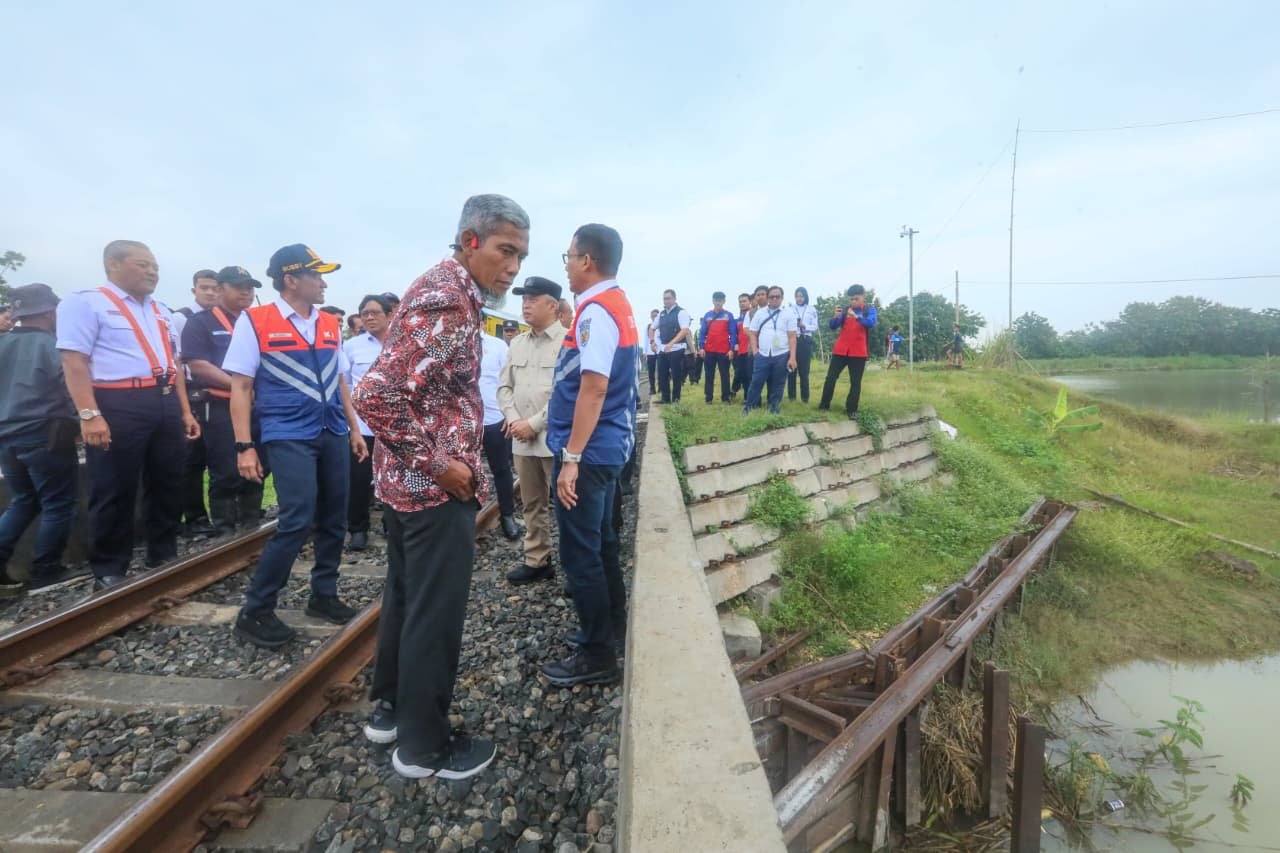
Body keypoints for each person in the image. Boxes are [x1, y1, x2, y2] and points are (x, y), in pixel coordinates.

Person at [353, 193, 530, 781]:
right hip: (433, 490)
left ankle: (391, 710)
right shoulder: (449, 301)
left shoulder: (441, 288)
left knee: (405, 597)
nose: (512, 268)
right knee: (435, 612)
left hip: (404, 487)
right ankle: (424, 748)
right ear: (471, 240)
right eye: (505, 251)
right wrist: (437, 464)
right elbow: (374, 394)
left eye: (521, 256)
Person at [223, 244, 367, 648]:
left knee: (334, 516)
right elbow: (241, 387)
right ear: (291, 280)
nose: (323, 283)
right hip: (287, 433)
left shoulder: (327, 323)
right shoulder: (256, 321)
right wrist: (244, 446)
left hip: (332, 431)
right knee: (297, 518)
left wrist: (354, 430)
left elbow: (341, 382)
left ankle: (324, 594)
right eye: (316, 275)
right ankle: (256, 610)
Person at [57, 240, 201, 591]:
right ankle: (109, 565)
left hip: (164, 398)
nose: (153, 271)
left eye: (155, 265)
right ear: (113, 265)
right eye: (143, 264)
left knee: (168, 480)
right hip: (117, 401)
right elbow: (74, 362)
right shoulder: (86, 302)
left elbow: (175, 364)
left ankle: (162, 552)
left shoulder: (162, 310)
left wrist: (184, 410)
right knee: (114, 486)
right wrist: (89, 415)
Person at [543, 222, 636, 687]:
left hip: (590, 452)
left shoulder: (597, 311)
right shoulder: (616, 305)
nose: (567, 266)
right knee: (601, 544)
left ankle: (598, 655)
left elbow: (595, 386)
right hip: (607, 448)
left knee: (581, 553)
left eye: (568, 257)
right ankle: (610, 628)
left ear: (587, 261)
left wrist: (572, 457)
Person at [0, 283, 86, 596]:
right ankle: (46, 572)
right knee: (58, 503)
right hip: (44, 435)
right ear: (51, 313)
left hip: (6, 439)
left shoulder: (2, 343)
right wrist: (85, 422)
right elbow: (73, 390)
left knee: (23, 500)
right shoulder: (53, 347)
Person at [180, 266, 265, 534]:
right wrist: (240, 386)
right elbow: (198, 365)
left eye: (250, 287)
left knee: (261, 464)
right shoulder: (201, 323)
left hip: (257, 406)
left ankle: (251, 522)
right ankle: (225, 530)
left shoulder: (257, 321)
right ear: (220, 289)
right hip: (219, 406)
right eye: (238, 286)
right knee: (226, 468)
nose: (246, 292)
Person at [498, 276, 567, 584]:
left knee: (566, 508)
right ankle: (538, 560)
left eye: (533, 299)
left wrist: (534, 424)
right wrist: (514, 420)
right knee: (532, 503)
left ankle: (573, 569)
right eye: (523, 299)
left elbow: (567, 395)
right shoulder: (517, 343)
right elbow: (504, 387)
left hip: (553, 439)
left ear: (552, 305)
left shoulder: (568, 342)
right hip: (522, 440)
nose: (525, 305)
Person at [342, 294, 392, 550]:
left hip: (397, 427)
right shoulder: (352, 347)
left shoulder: (402, 343)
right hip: (363, 427)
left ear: (389, 314)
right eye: (365, 313)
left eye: (375, 312)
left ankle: (392, 524)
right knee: (359, 479)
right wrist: (351, 425)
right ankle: (358, 529)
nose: (369, 317)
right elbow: (346, 384)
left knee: (393, 478)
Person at [176, 269, 223, 538]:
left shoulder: (225, 320)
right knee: (192, 460)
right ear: (194, 289)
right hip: (193, 394)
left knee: (219, 458)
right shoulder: (183, 318)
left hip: (222, 395)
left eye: (215, 288)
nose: (210, 293)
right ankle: (194, 517)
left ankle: (221, 516)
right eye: (204, 287)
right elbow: (178, 363)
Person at [480, 331, 520, 540]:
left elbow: (511, 381)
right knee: (465, 471)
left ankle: (507, 515)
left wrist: (509, 413)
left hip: (494, 419)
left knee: (502, 469)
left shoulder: (497, 346)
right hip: (463, 424)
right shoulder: (450, 344)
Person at [819, 284, 877, 419]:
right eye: (851, 299)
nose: (853, 302)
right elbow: (833, 326)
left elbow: (871, 323)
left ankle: (851, 410)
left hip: (858, 352)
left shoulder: (869, 310)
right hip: (840, 350)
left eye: (856, 299)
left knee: (855, 382)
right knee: (830, 378)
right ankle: (824, 405)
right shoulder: (846, 310)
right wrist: (835, 317)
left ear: (863, 296)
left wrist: (857, 317)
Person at [744, 285, 797, 414]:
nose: (774, 299)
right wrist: (755, 351)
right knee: (756, 382)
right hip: (762, 354)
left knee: (778, 384)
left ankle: (774, 408)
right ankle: (748, 408)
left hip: (782, 354)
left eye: (777, 297)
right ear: (768, 298)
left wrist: (792, 357)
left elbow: (792, 337)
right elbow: (753, 333)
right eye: (771, 297)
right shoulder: (760, 313)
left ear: (782, 298)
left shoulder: (789, 313)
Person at [697, 291, 738, 404]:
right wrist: (701, 347)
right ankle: (708, 398)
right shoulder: (707, 315)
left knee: (725, 375)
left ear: (724, 301)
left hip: (724, 351)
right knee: (709, 375)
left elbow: (733, 334)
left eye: (720, 300)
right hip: (709, 350)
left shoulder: (728, 315)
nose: (718, 303)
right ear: (713, 301)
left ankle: (726, 398)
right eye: (716, 300)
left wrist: (731, 349)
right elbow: (702, 333)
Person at [654, 289, 690, 404]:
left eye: (668, 298)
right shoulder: (661, 313)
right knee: (662, 374)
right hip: (663, 348)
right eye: (664, 299)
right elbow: (652, 328)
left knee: (676, 375)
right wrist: (652, 342)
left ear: (674, 299)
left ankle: (675, 399)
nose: (666, 301)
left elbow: (684, 331)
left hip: (677, 348)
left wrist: (672, 343)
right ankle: (665, 398)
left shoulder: (681, 312)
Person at [788, 286, 817, 402]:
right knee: (791, 370)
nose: (799, 299)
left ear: (805, 297)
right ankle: (792, 398)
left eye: (801, 296)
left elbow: (815, 327)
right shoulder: (790, 309)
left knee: (804, 371)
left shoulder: (812, 309)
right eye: (797, 296)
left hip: (805, 340)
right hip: (793, 340)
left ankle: (805, 398)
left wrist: (804, 326)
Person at [731, 293, 753, 399]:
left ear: (749, 302)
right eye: (740, 302)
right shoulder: (738, 319)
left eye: (744, 301)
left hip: (751, 349)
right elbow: (735, 334)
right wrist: (735, 345)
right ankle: (737, 392)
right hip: (740, 350)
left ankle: (747, 398)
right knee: (741, 373)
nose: (742, 303)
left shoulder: (754, 315)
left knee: (749, 375)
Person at [643, 308, 659, 395]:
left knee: (662, 371)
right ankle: (652, 389)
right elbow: (646, 339)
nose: (654, 317)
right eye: (653, 316)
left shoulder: (661, 325)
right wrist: (645, 352)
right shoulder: (648, 327)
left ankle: (661, 387)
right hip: (650, 352)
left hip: (660, 351)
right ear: (650, 317)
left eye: (656, 316)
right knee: (651, 371)